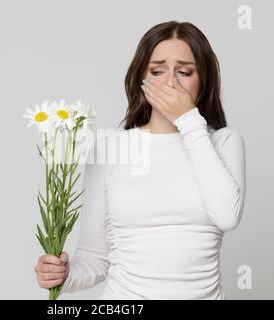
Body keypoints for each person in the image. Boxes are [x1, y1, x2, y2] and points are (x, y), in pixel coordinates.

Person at [35, 20, 246, 299]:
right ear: (140, 79)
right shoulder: (110, 149)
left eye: (184, 72)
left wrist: (189, 121)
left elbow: (227, 216)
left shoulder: (223, 143)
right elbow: (95, 259)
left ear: (203, 81)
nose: (171, 82)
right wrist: (63, 274)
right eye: (157, 71)